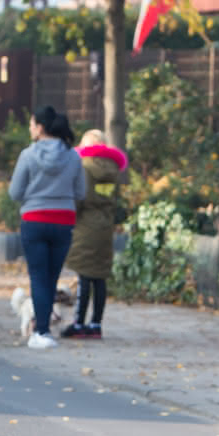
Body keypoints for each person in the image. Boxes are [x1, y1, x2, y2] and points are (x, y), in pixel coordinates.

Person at [9, 106, 85, 349]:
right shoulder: (73, 156)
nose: (30, 128)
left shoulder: (28, 155)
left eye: (32, 124)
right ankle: (44, 330)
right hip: (63, 221)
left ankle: (40, 331)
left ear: (40, 127)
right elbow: (81, 192)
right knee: (52, 277)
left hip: (34, 220)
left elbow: (15, 192)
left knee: (38, 277)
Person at [62, 129, 129, 340]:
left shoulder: (84, 166)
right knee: (99, 277)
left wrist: (71, 216)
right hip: (105, 226)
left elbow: (80, 198)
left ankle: (78, 323)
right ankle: (96, 324)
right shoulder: (114, 170)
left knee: (84, 275)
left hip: (86, 226)